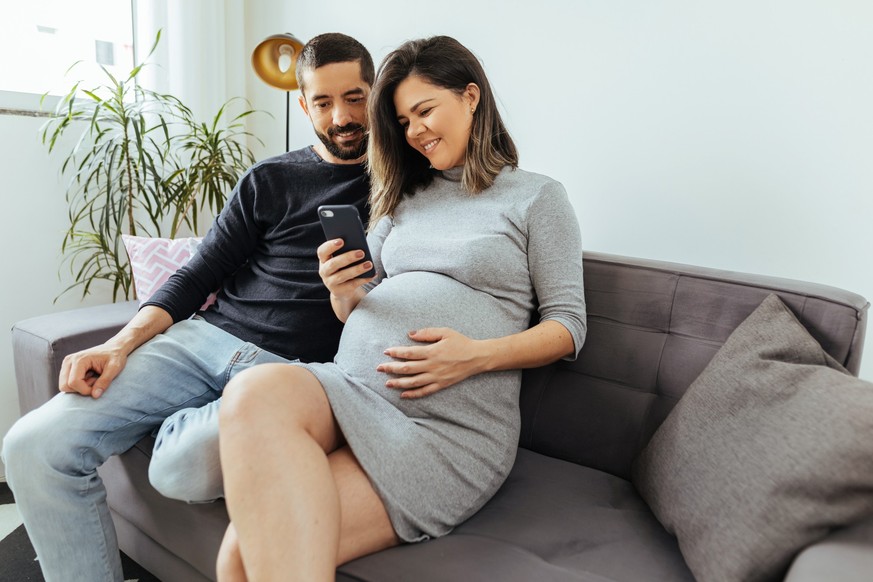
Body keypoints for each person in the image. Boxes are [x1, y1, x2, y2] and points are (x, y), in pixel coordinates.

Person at [1, 32, 375, 582]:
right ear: (303, 105)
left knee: (178, 470)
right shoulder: (269, 179)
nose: (341, 116)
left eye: (355, 98)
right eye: (323, 102)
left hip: (288, 374)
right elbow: (196, 275)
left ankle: (162, 422)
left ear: (376, 92)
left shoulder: (403, 187)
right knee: (32, 445)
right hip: (201, 342)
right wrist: (117, 344)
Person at [215, 35, 587, 581]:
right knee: (250, 390)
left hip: (444, 430)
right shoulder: (403, 197)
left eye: (424, 111)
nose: (414, 132)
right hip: (354, 391)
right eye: (403, 121)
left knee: (242, 560)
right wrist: (342, 292)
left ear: (470, 97)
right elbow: (362, 306)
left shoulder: (537, 198)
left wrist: (475, 356)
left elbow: (569, 327)